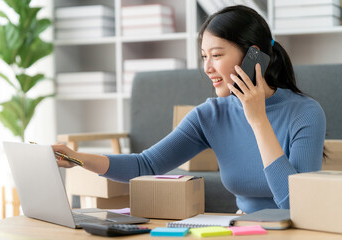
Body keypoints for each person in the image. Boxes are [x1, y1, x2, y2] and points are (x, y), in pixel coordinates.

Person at [53, 5, 326, 214]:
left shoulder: (306, 113)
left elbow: (295, 203)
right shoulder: (210, 115)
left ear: (254, 56)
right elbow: (145, 165)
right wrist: (77, 159)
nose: (207, 68)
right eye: (204, 56)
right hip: (243, 229)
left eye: (217, 55)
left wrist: (257, 120)